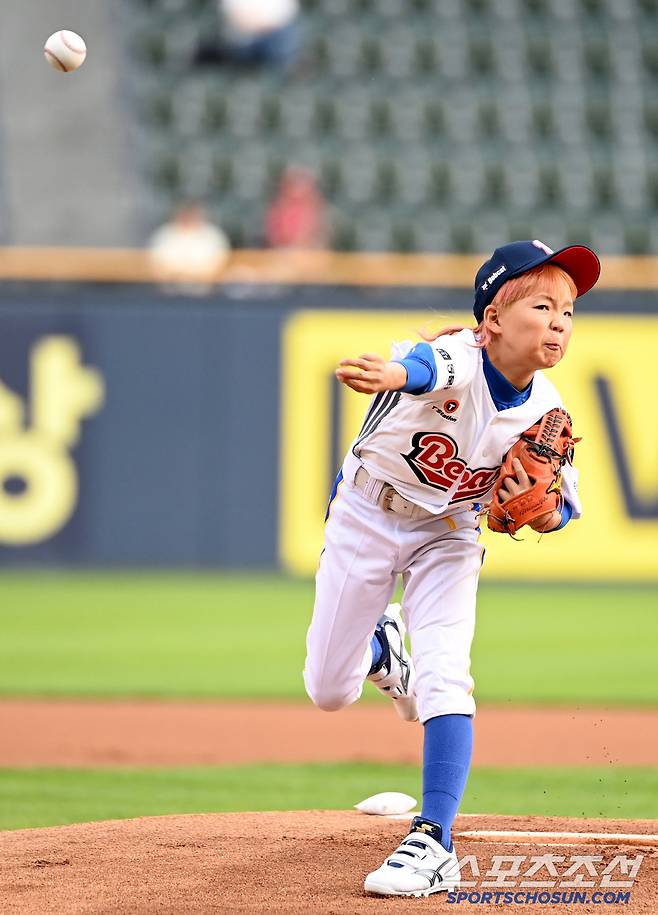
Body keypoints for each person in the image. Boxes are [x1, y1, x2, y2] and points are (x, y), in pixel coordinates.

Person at [303, 239, 601, 898]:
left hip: (450, 533)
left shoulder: (544, 410)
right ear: (491, 318)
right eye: (543, 304)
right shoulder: (456, 357)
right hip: (367, 515)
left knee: (446, 671)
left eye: (570, 310)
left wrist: (540, 511)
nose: (559, 321)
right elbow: (420, 367)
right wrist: (389, 376)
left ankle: (432, 836)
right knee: (328, 688)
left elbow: (565, 507)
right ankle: (382, 648)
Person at [148, 203, 230, 295]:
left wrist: (197, 275)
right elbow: (156, 263)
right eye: (185, 214)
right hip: (169, 291)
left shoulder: (212, 235)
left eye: (192, 214)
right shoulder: (164, 234)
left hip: (205, 292)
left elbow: (220, 262)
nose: (188, 217)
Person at [264, 167, 329, 250]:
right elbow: (274, 235)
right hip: (282, 251)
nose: (298, 190)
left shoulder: (317, 209)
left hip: (309, 252)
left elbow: (319, 236)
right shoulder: (278, 207)